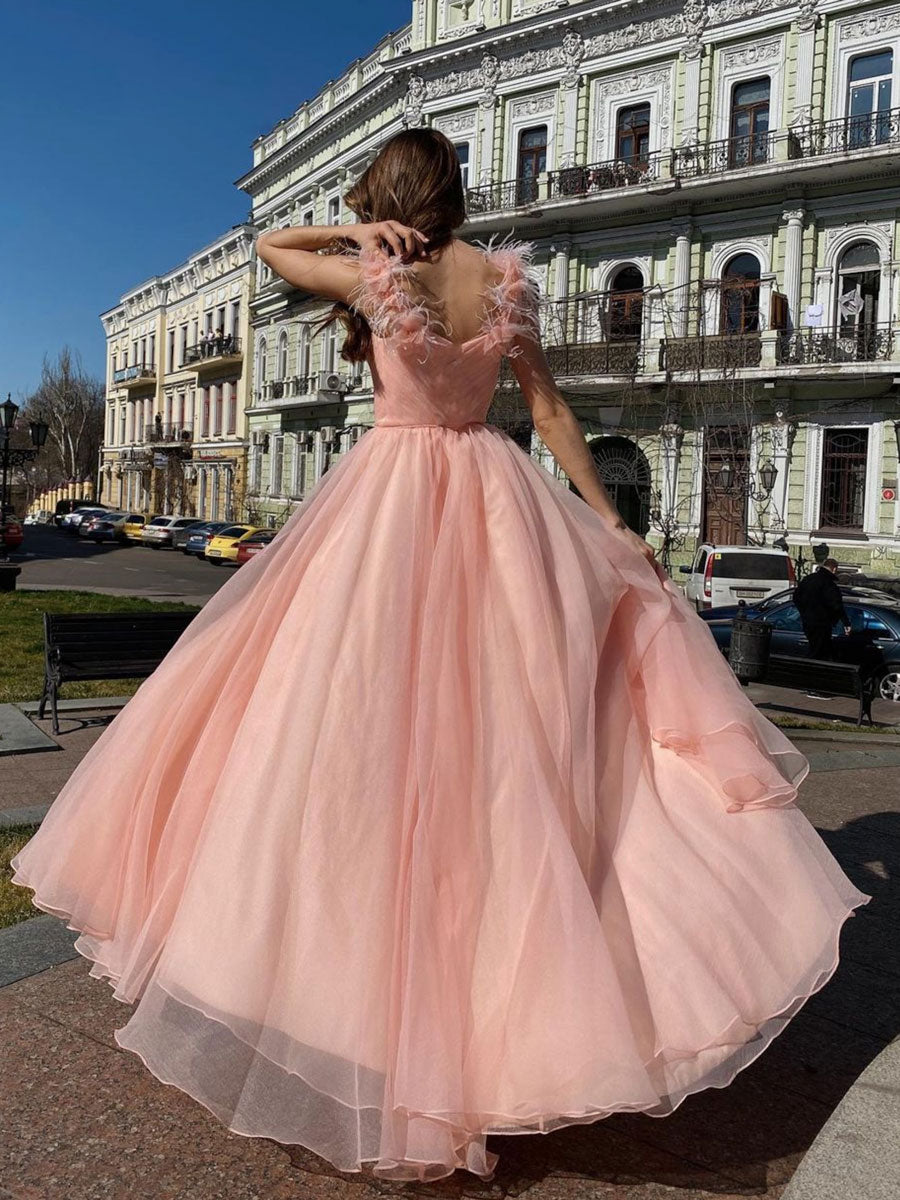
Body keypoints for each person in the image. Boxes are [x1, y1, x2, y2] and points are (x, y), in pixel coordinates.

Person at [10, 128, 870, 1185]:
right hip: (498, 505)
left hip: (387, 510)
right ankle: (499, 1026)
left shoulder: (381, 275)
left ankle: (355, 1012)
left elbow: (270, 245)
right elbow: (549, 410)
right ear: (458, 194)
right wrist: (609, 524)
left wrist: (348, 226)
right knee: (509, 763)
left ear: (386, 195)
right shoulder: (502, 283)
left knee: (340, 746)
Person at [794, 557, 852, 659]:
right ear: (834, 569)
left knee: (814, 647)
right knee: (819, 652)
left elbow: (796, 597)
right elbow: (836, 605)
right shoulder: (829, 584)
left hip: (807, 622)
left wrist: (804, 612)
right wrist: (846, 622)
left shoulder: (808, 579)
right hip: (822, 623)